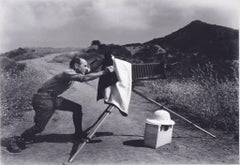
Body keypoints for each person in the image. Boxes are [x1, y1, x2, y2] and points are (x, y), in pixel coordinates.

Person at [8, 57, 114, 153]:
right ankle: (17, 140)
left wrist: (103, 60)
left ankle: (78, 134)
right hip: (43, 99)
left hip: (52, 98)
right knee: (39, 128)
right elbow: (85, 78)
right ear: (76, 66)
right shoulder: (68, 72)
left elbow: (90, 70)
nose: (87, 68)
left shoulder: (75, 72)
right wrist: (105, 71)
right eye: (84, 66)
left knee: (76, 108)